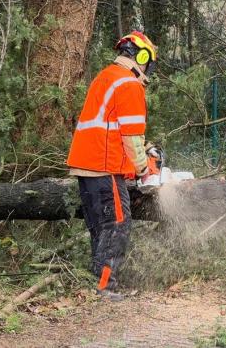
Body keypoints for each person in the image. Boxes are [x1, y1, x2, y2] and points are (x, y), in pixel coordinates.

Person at [66, 31, 159, 301]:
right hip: (102, 166)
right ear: (142, 57)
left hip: (87, 166)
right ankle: (104, 288)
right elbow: (131, 137)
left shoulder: (106, 76)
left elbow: (112, 129)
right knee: (117, 223)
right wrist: (144, 169)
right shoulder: (128, 84)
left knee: (100, 226)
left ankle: (96, 282)